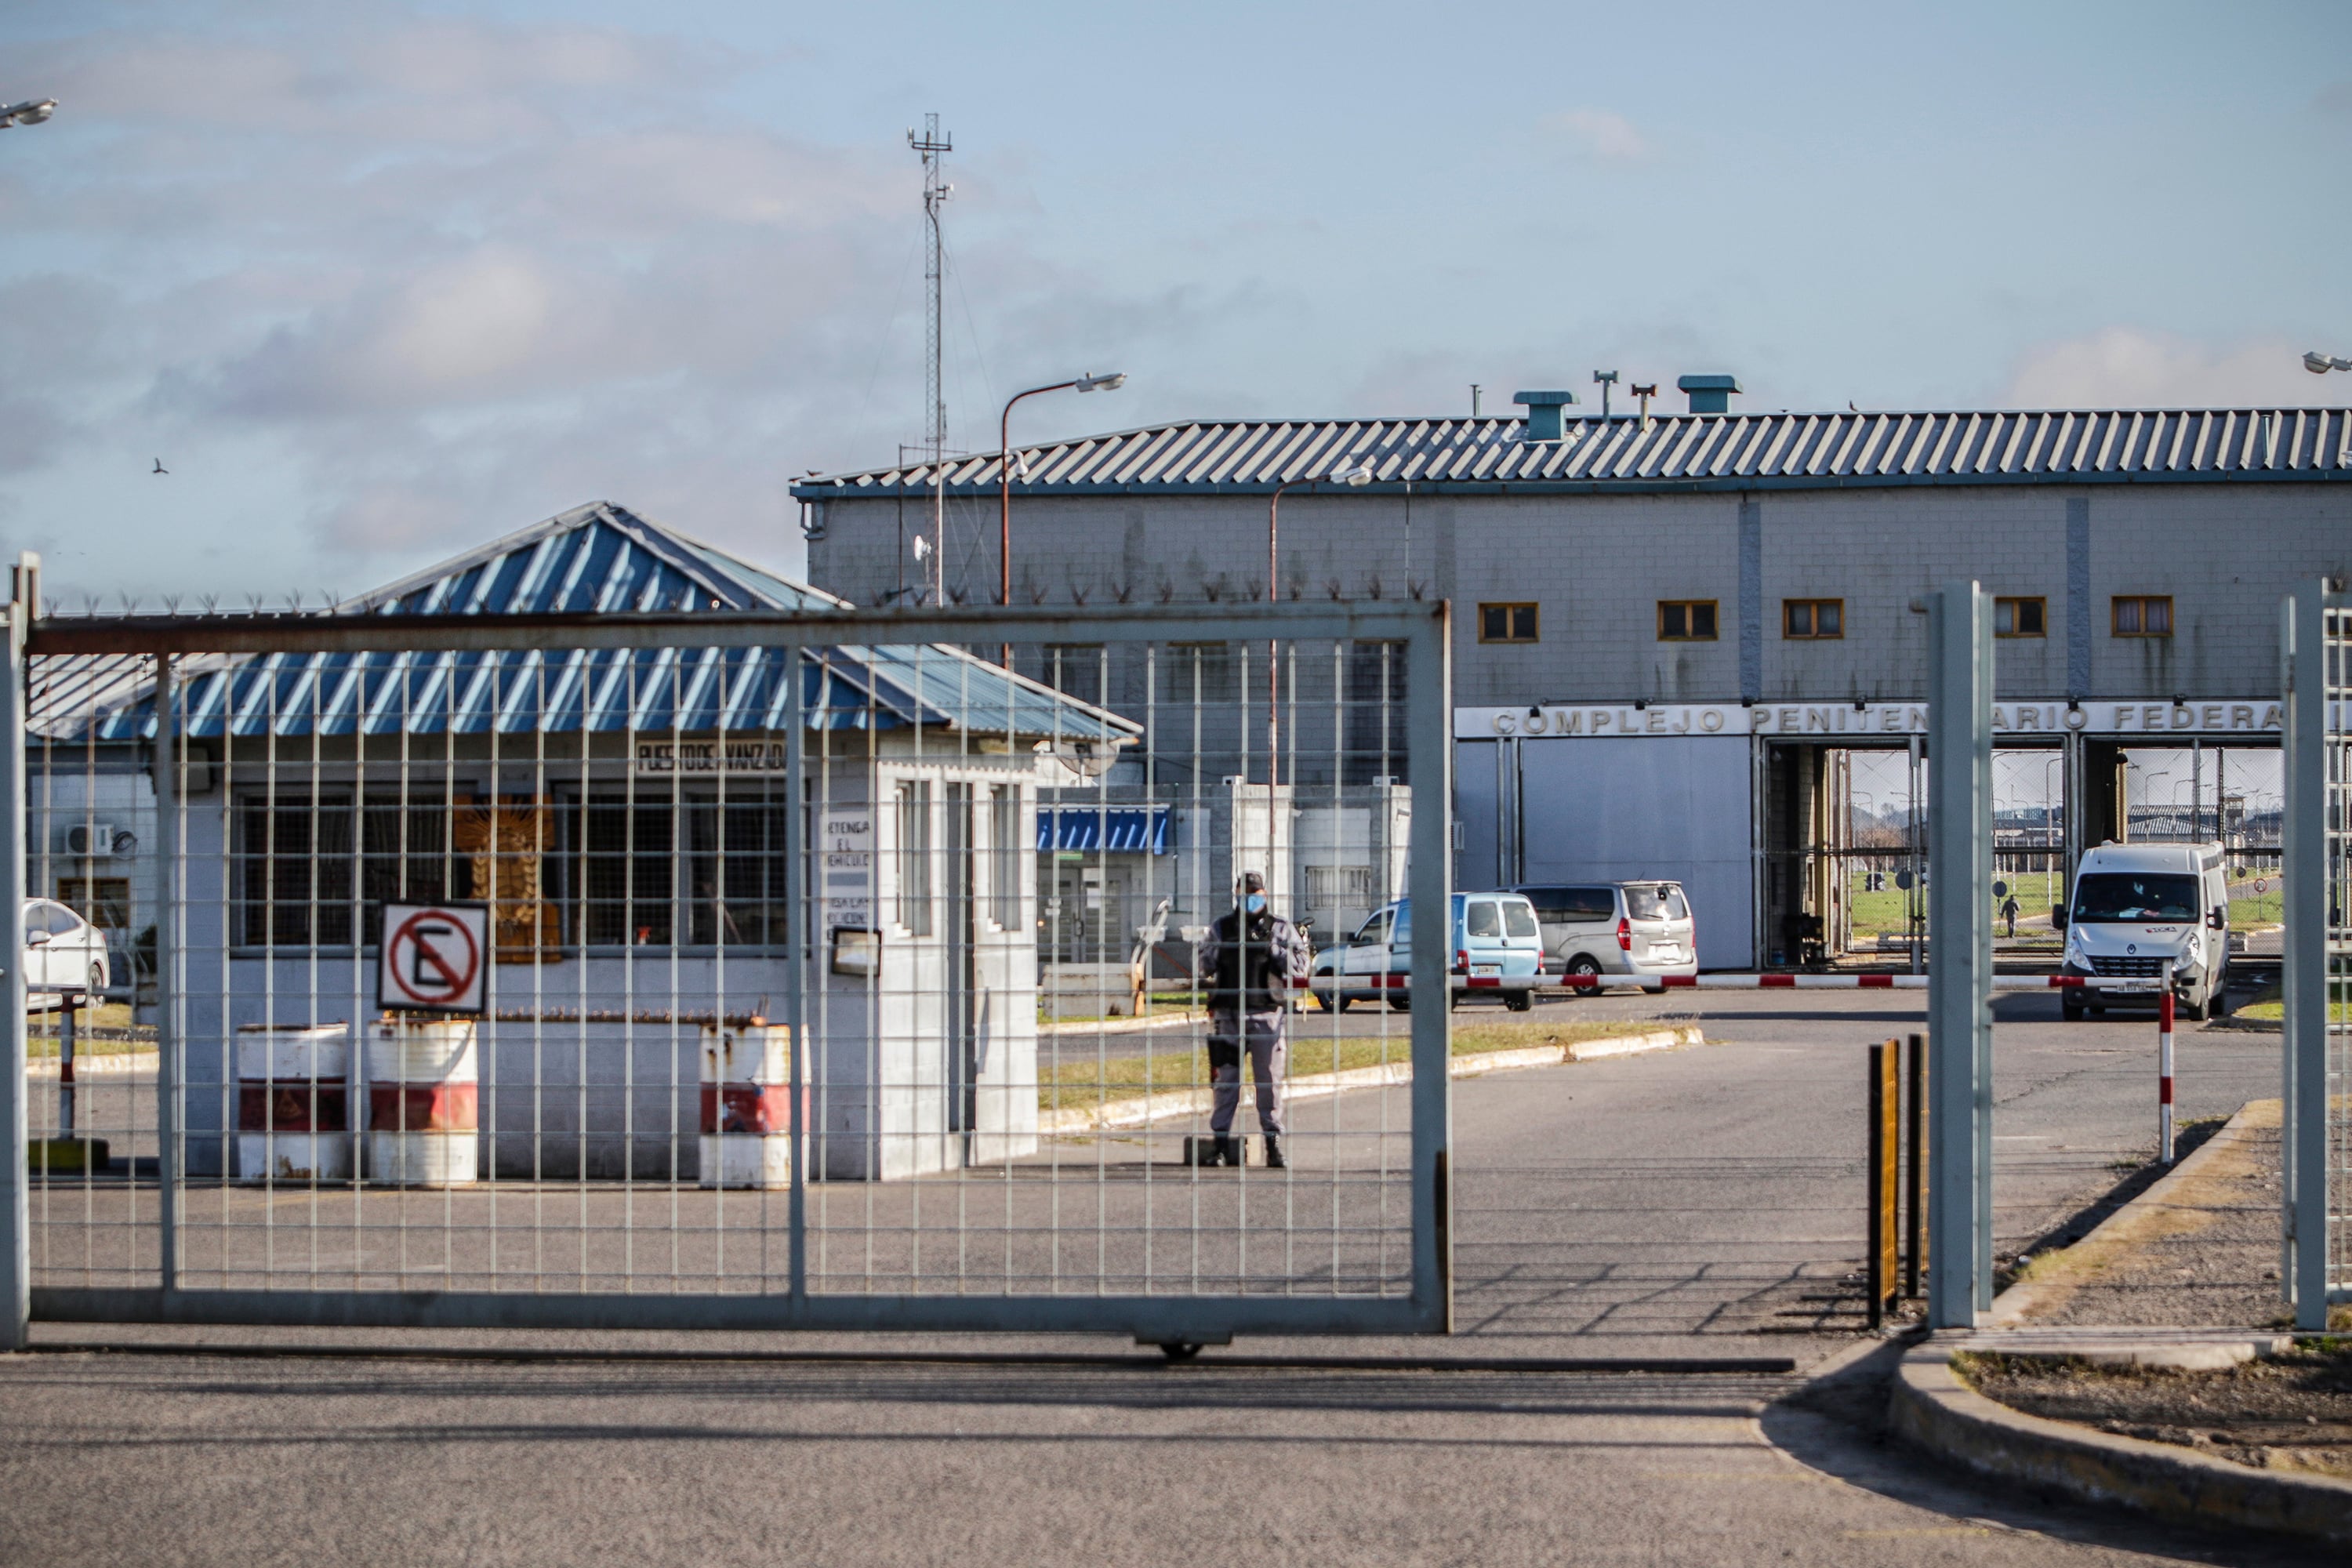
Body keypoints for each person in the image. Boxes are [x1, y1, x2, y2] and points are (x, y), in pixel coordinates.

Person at [1199, 870, 1310, 1169]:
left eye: (1254, 893)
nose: (1248, 898)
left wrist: (1272, 949)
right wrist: (1222, 949)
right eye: (1243, 893)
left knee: (1269, 1083)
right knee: (1225, 1085)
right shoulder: (1221, 928)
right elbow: (1203, 965)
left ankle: (1272, 1145)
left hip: (1267, 1016)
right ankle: (1220, 1145)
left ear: (1264, 895)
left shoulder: (1281, 928)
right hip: (1228, 1016)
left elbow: (1300, 967)